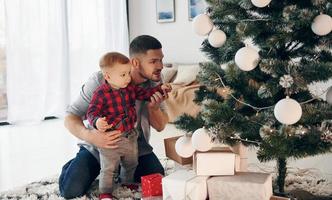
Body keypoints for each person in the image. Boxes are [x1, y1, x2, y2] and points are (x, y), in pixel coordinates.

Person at [59, 35, 170, 199]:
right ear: (135, 63)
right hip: (101, 145)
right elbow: (70, 116)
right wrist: (91, 136)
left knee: (158, 179)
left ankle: (120, 171)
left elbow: (161, 126)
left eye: (161, 60)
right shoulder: (101, 80)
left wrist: (153, 109)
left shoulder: (155, 83)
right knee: (71, 189)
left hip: (135, 146)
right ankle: (78, 165)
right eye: (153, 61)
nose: (160, 66)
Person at [86, 52, 171, 199]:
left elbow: (146, 94)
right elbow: (91, 112)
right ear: (108, 77)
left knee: (131, 163)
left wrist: (161, 89)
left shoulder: (129, 88)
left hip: (130, 136)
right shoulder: (101, 93)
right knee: (109, 168)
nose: (128, 78)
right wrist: (97, 121)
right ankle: (105, 192)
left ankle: (127, 182)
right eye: (123, 75)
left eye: (128, 73)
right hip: (111, 139)